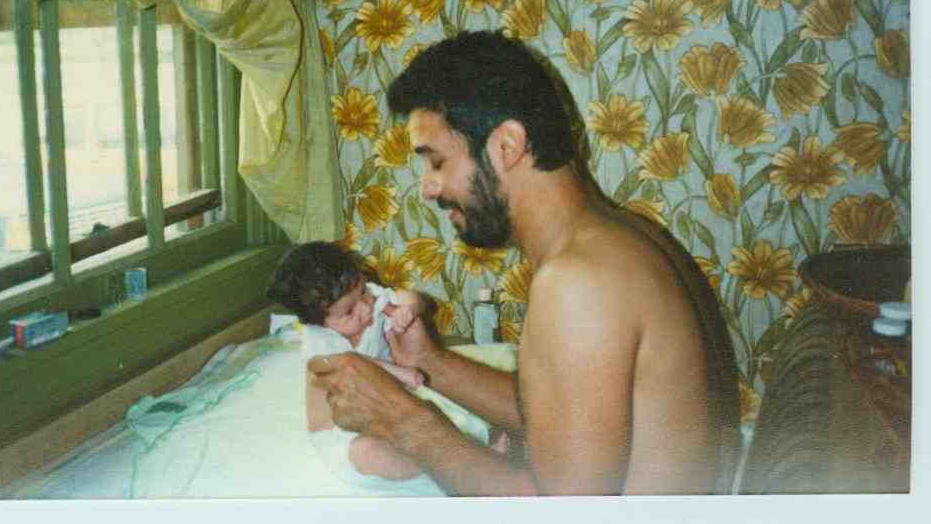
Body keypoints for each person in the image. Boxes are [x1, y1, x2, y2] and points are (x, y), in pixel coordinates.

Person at [308, 30, 739, 496]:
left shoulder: (579, 282)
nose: (427, 188)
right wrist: (429, 361)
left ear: (507, 146)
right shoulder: (626, 236)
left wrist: (404, 423)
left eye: (436, 162)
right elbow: (572, 419)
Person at [269, 241, 508, 484]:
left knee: (448, 407)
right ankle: (439, 462)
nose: (365, 308)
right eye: (349, 312)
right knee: (368, 453)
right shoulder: (319, 342)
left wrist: (409, 308)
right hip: (345, 426)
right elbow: (352, 365)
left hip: (393, 400)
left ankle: (475, 446)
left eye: (363, 292)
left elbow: (412, 297)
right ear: (317, 322)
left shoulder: (369, 299)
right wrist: (401, 372)